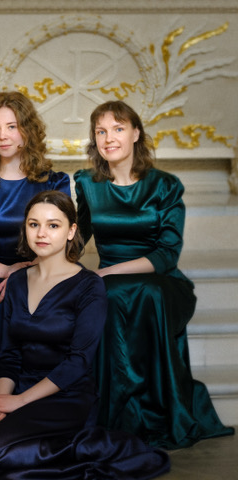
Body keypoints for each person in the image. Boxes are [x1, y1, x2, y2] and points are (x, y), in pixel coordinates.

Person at [0, 190, 170, 480]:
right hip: (20, 388)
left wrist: (19, 402)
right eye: (34, 224)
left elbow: (78, 361)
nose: (41, 233)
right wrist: (0, 402)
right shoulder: (16, 281)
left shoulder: (89, 286)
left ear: (71, 231)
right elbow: (9, 353)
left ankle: (86, 445)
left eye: (53, 225)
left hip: (66, 395)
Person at [74, 100, 234, 449]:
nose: (109, 138)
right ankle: (120, 414)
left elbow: (166, 255)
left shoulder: (165, 185)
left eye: (118, 129)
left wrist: (107, 271)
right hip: (111, 282)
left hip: (162, 282)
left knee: (144, 292)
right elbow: (78, 237)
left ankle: (157, 412)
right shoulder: (87, 183)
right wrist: (47, 262)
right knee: (108, 294)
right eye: (101, 131)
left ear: (136, 133)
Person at [0, 91, 70, 381]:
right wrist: (8, 272)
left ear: (27, 130)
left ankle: (45, 392)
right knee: (2, 303)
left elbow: (61, 243)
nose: (3, 135)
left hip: (44, 272)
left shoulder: (55, 181)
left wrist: (28, 272)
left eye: (12, 126)